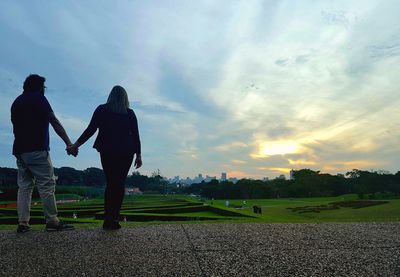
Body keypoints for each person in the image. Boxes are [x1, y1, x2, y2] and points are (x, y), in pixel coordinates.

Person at [69, 85, 142, 230]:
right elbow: (136, 135)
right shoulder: (129, 113)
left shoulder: (102, 109)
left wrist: (76, 145)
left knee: (111, 182)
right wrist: (139, 155)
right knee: (120, 183)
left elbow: (90, 129)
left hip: (107, 150)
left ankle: (108, 218)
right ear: (125, 97)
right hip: (126, 152)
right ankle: (115, 217)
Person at [11, 74, 76, 233]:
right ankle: (52, 221)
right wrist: (68, 143)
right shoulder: (39, 99)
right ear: (40, 87)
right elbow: (54, 122)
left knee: (24, 187)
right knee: (47, 185)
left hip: (20, 150)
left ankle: (23, 222)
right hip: (37, 149)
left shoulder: (16, 102)